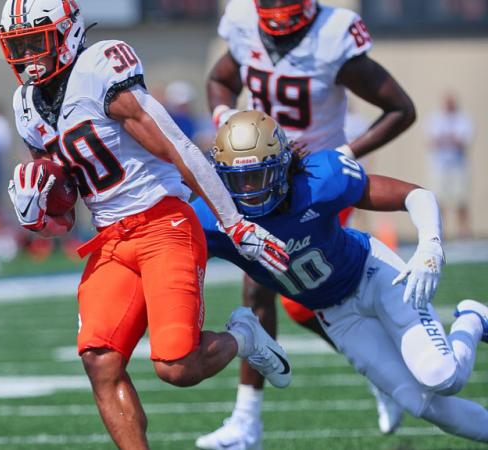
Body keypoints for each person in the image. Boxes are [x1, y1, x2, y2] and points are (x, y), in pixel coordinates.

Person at [0, 1, 293, 448]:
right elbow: (64, 209)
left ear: (68, 33)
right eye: (18, 46)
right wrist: (38, 210)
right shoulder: (26, 106)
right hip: (109, 240)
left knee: (177, 366)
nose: (29, 57)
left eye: (36, 42)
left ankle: (243, 335)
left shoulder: (100, 70)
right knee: (100, 359)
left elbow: (176, 144)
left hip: (163, 223)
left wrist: (234, 223)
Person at [194, 111, 488, 446]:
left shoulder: (320, 179)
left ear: (281, 166)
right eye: (238, 179)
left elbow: (416, 196)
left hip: (375, 275)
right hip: (336, 316)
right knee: (422, 405)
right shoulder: (211, 219)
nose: (249, 191)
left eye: (259, 176)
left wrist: (430, 245)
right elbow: (176, 269)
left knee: (442, 376)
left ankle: (472, 318)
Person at [202, 0, 416, 443]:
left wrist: (344, 157)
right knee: (265, 284)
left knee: (291, 297)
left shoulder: (333, 35)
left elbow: (401, 108)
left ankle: (251, 418)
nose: (278, 24)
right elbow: (221, 79)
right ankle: (247, 420)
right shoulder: (243, 22)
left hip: (310, 185)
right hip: (254, 178)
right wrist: (226, 118)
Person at [426, 92, 473, 239]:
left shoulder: (463, 118)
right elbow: (432, 141)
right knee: (439, 200)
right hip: (439, 167)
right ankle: (441, 231)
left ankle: (463, 232)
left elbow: (463, 142)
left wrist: (447, 139)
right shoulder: (435, 118)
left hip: (457, 166)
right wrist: (450, 139)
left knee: (460, 199)